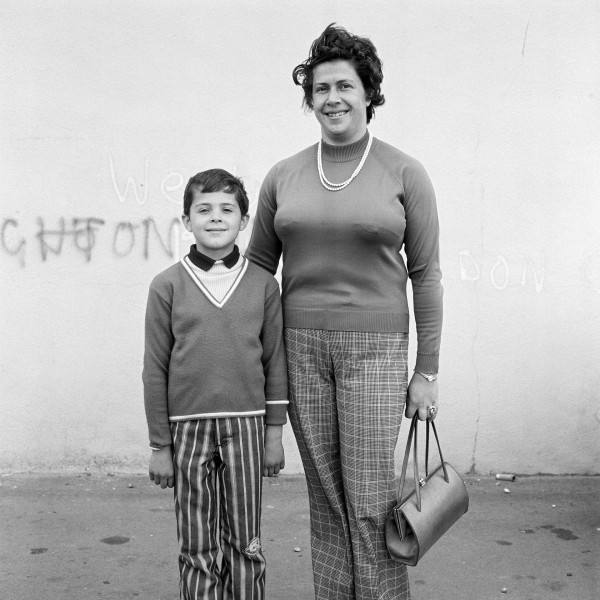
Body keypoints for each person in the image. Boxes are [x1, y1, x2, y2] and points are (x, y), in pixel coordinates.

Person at [245, 24, 443, 600]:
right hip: (300, 347)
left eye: (345, 85)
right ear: (310, 99)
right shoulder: (283, 175)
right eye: (320, 88)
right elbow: (259, 269)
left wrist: (425, 371)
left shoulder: (405, 173)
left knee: (370, 496)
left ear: (368, 93)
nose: (332, 98)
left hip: (376, 353)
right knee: (326, 496)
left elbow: (426, 274)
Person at [142, 168, 288, 600]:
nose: (216, 217)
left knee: (246, 540)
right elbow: (155, 368)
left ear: (244, 220)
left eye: (227, 209)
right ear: (187, 220)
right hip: (187, 430)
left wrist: (274, 434)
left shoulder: (263, 285)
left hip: (247, 427)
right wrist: (160, 446)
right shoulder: (167, 285)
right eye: (203, 209)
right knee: (197, 543)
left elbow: (275, 359)